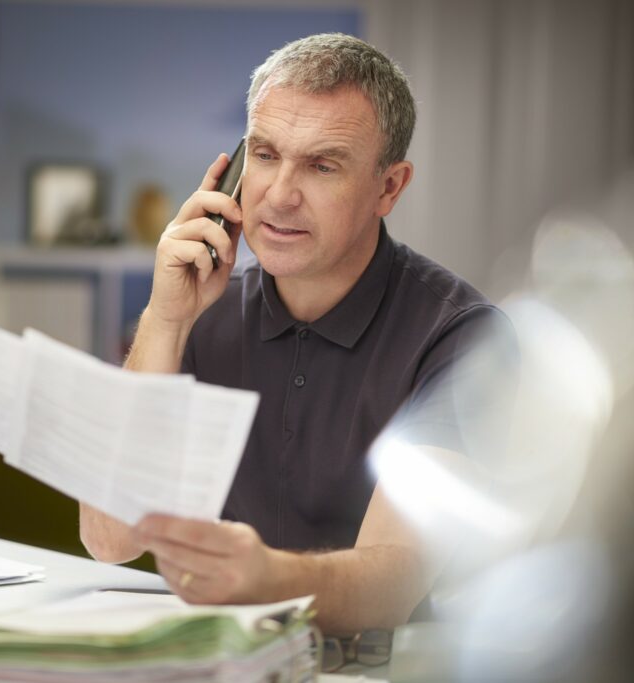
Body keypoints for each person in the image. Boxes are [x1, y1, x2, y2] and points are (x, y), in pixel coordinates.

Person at [79, 33, 510, 636]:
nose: (279, 196)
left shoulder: (465, 339)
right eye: (264, 154)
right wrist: (167, 316)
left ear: (389, 187)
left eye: (322, 164)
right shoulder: (203, 312)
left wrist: (263, 578)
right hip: (225, 661)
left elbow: (392, 585)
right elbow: (108, 537)